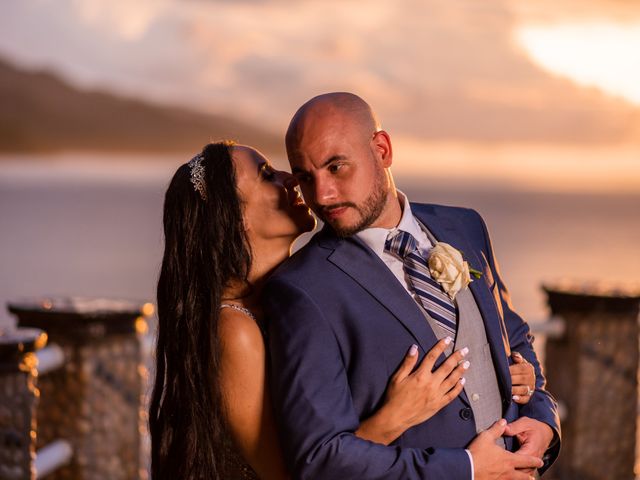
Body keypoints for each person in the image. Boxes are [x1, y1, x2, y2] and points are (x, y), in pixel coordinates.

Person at [149, 141, 535, 479]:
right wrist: (395, 416)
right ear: (232, 218)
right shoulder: (233, 328)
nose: (292, 179)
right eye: (267, 175)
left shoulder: (290, 294)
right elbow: (295, 475)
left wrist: (503, 365)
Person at [263, 92, 561, 479]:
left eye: (336, 167)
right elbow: (320, 458)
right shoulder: (301, 289)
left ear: (382, 150)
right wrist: (467, 469)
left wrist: (543, 421)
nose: (321, 195)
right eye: (305, 177)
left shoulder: (466, 227)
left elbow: (515, 340)